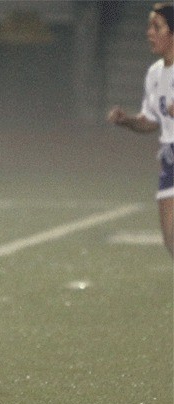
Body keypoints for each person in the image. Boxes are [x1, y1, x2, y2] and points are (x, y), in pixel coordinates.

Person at [107, 2, 174, 256]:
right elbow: (150, 121)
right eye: (149, 27)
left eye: (157, 27)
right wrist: (127, 120)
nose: (149, 33)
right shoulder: (155, 74)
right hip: (169, 159)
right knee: (171, 241)